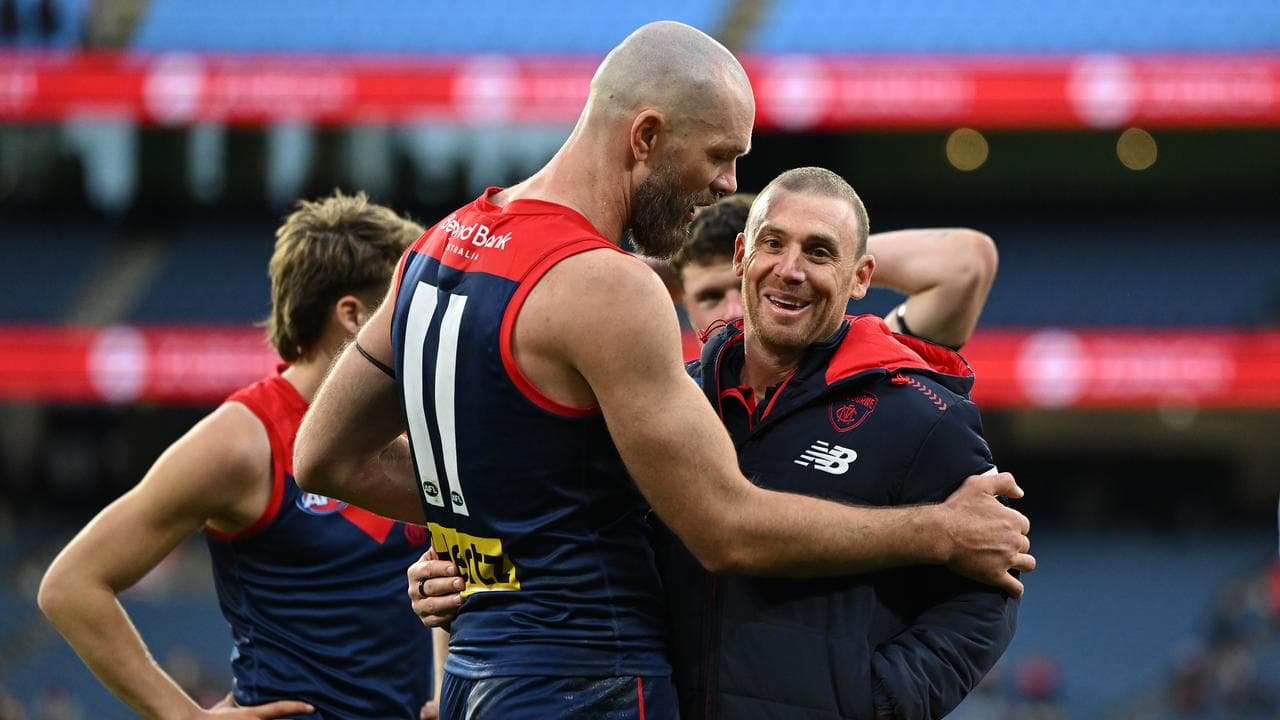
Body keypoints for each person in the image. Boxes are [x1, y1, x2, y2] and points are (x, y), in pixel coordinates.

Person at [294, 21, 1032, 719]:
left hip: (478, 673)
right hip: (590, 679)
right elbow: (725, 528)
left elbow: (323, 457)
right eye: (719, 156)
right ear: (646, 136)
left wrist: (494, 536)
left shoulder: (437, 247)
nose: (727, 184)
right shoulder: (611, 286)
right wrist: (939, 532)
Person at [410, 173, 1016, 718]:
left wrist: (880, 700)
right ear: (741, 254)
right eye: (772, 244)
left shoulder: (919, 412)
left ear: (861, 278)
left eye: (820, 252)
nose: (790, 269)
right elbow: (572, 525)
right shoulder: (663, 404)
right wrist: (468, 570)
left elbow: (992, 585)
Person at [38, 191, 440, 720]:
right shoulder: (243, 440)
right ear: (352, 314)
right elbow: (71, 585)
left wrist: (446, 687)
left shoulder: (413, 424)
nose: (419, 326)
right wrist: (185, 716)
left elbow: (443, 562)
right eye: (403, 308)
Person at [670, 192, 997, 347]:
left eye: (745, 286)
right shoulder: (670, 407)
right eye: (710, 296)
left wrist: (824, 259)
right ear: (684, 302)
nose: (732, 313)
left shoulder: (862, 382)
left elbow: (966, 262)